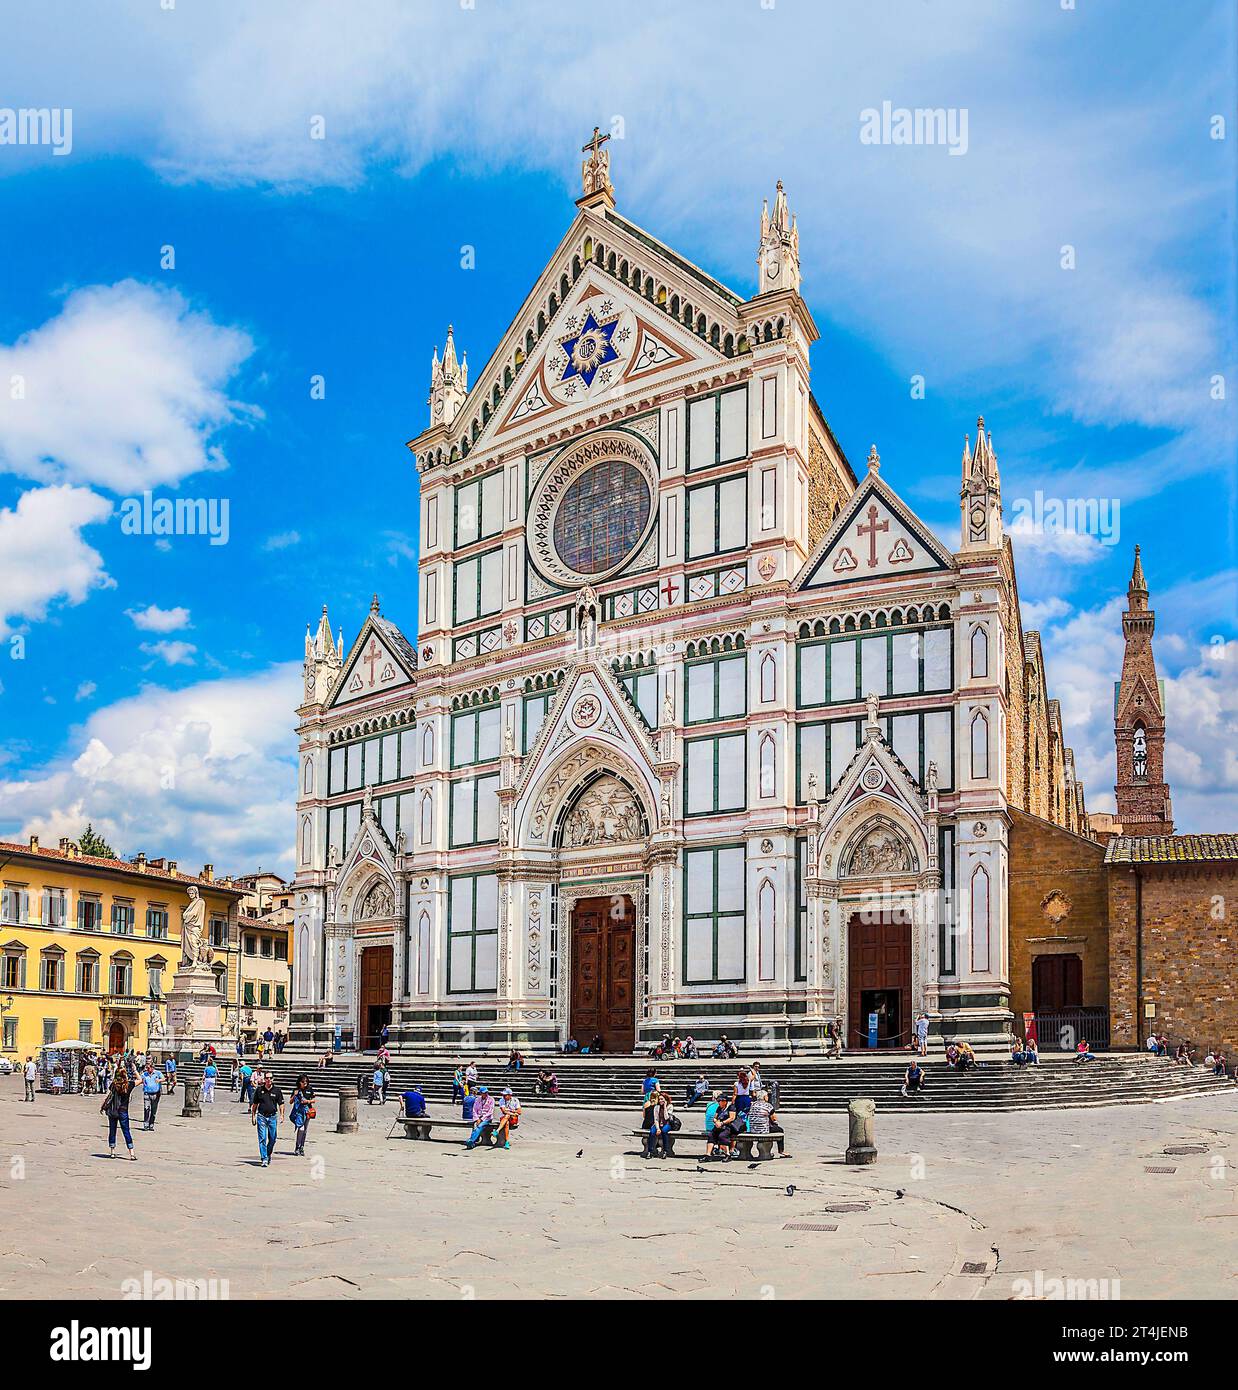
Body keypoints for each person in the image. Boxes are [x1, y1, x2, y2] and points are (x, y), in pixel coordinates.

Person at [250, 1070, 284, 1167]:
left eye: (270, 1078)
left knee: (273, 1138)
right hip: (261, 1116)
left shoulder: (277, 1090)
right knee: (262, 1138)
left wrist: (282, 1115)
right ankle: (264, 1158)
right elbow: (255, 1104)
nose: (269, 1080)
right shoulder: (259, 1090)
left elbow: (281, 1104)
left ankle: (268, 1153)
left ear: (273, 1079)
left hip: (273, 1116)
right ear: (264, 1079)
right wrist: (253, 1116)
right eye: (267, 1078)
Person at [101, 1068, 137, 1159]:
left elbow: (108, 1096)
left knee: (112, 1131)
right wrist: (134, 1070)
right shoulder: (129, 1084)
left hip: (113, 1110)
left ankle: (112, 1152)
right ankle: (131, 1153)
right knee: (126, 1131)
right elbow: (140, 1080)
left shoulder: (114, 1084)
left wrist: (103, 1105)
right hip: (123, 1111)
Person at [747, 1088, 785, 1156]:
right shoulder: (768, 1105)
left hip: (752, 1129)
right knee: (780, 1130)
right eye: (767, 1096)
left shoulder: (752, 1105)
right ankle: (781, 1151)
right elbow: (774, 1118)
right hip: (763, 1129)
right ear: (764, 1097)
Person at [707, 1094, 740, 1161]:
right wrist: (716, 1121)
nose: (719, 1102)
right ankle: (708, 1155)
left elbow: (732, 1118)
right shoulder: (719, 1108)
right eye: (718, 1101)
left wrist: (722, 1123)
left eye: (720, 1101)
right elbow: (715, 1117)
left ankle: (727, 1154)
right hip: (719, 1126)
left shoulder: (731, 1107)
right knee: (711, 1135)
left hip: (729, 1126)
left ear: (725, 1101)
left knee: (722, 1136)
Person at [289, 1074, 316, 1156]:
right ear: (299, 1082)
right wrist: (294, 1095)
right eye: (303, 1082)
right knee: (301, 1129)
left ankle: (302, 1147)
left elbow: (314, 1099)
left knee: (305, 1131)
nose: (305, 1083)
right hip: (298, 1112)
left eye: (306, 1082)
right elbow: (290, 1101)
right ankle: (297, 1146)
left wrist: (307, 1101)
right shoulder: (296, 1090)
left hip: (307, 1111)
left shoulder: (310, 1089)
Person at [644, 1088, 675, 1159]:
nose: (661, 1101)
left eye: (662, 1099)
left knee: (664, 1131)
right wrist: (657, 1128)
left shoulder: (670, 1106)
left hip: (667, 1124)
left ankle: (665, 1151)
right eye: (660, 1099)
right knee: (652, 1132)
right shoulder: (656, 1107)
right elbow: (656, 1119)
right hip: (658, 1124)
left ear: (666, 1099)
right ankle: (650, 1151)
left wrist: (664, 1107)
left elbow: (667, 1118)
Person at [140, 1063, 164, 1129]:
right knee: (146, 1109)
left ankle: (151, 1124)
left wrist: (159, 1080)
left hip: (156, 1094)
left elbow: (164, 1078)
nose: (147, 1069)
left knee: (153, 1110)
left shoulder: (158, 1073)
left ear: (152, 1068)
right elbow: (139, 1079)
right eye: (146, 1068)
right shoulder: (144, 1074)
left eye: (148, 1068)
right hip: (147, 1094)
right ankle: (146, 1124)